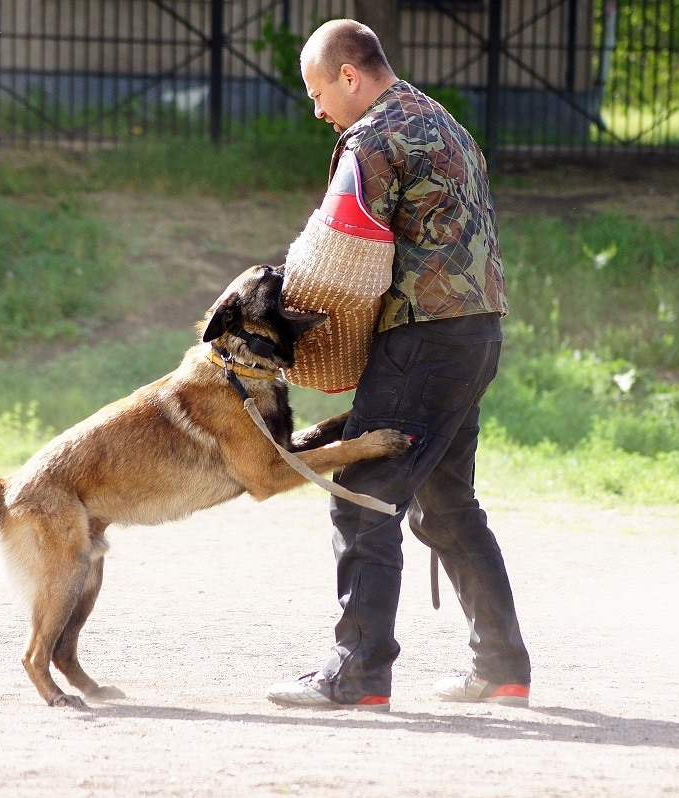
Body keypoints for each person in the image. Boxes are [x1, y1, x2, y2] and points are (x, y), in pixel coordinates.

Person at [266, 19, 531, 712]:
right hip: (478, 332)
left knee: (362, 490)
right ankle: (501, 670)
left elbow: (338, 250)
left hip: (421, 337)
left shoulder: (372, 138)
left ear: (349, 76)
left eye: (319, 92)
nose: (318, 110)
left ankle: (357, 677)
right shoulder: (440, 119)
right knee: (446, 502)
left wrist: (289, 327)